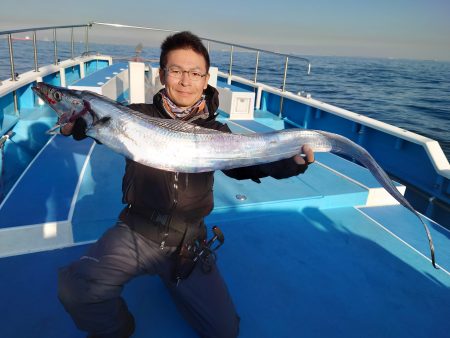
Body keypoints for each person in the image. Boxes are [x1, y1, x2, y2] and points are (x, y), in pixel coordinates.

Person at [58, 31, 315, 338]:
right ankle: (118, 330)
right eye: (176, 71)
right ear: (162, 75)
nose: (185, 81)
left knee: (225, 332)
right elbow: (99, 124)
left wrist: (290, 163)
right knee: (76, 288)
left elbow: (244, 166)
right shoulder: (136, 115)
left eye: (195, 73)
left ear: (206, 80)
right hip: (138, 230)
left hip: (190, 240)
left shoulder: (217, 130)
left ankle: (173, 274)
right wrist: (82, 128)